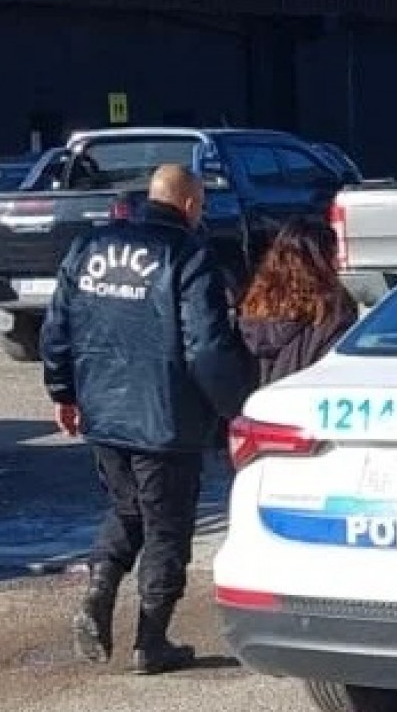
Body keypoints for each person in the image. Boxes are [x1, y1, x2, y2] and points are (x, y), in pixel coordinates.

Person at [41, 164, 256, 675]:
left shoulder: (89, 247)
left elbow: (58, 327)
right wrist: (235, 408)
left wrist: (63, 390)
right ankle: (151, 640)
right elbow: (205, 347)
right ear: (190, 206)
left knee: (128, 508)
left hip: (105, 412)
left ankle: (100, 586)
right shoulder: (187, 254)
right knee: (166, 526)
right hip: (166, 419)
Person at [238, 217, 359, 386]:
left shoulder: (253, 312)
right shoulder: (331, 313)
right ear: (322, 261)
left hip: (256, 405)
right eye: (334, 255)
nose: (339, 264)